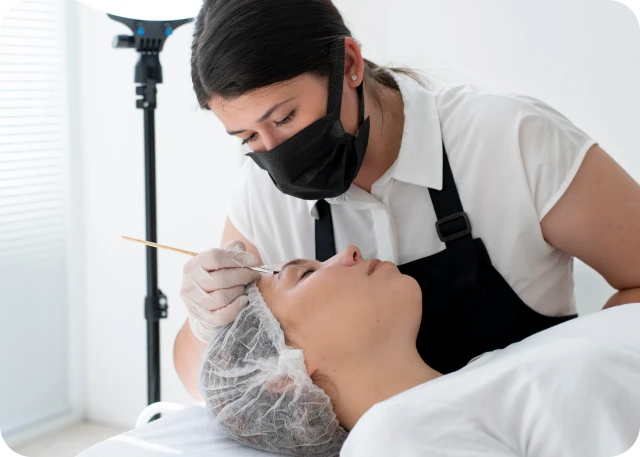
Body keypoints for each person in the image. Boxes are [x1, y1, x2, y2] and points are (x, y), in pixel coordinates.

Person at [176, 0, 640, 399]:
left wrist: (568, 396)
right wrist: (207, 324)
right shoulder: (261, 196)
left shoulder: (510, 138)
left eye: (285, 118)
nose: (274, 152)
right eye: (248, 138)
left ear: (349, 64)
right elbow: (210, 389)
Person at [200, 246, 640, 457]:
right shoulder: (390, 438)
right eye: (306, 274)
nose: (348, 252)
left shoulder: (483, 376)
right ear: (283, 374)